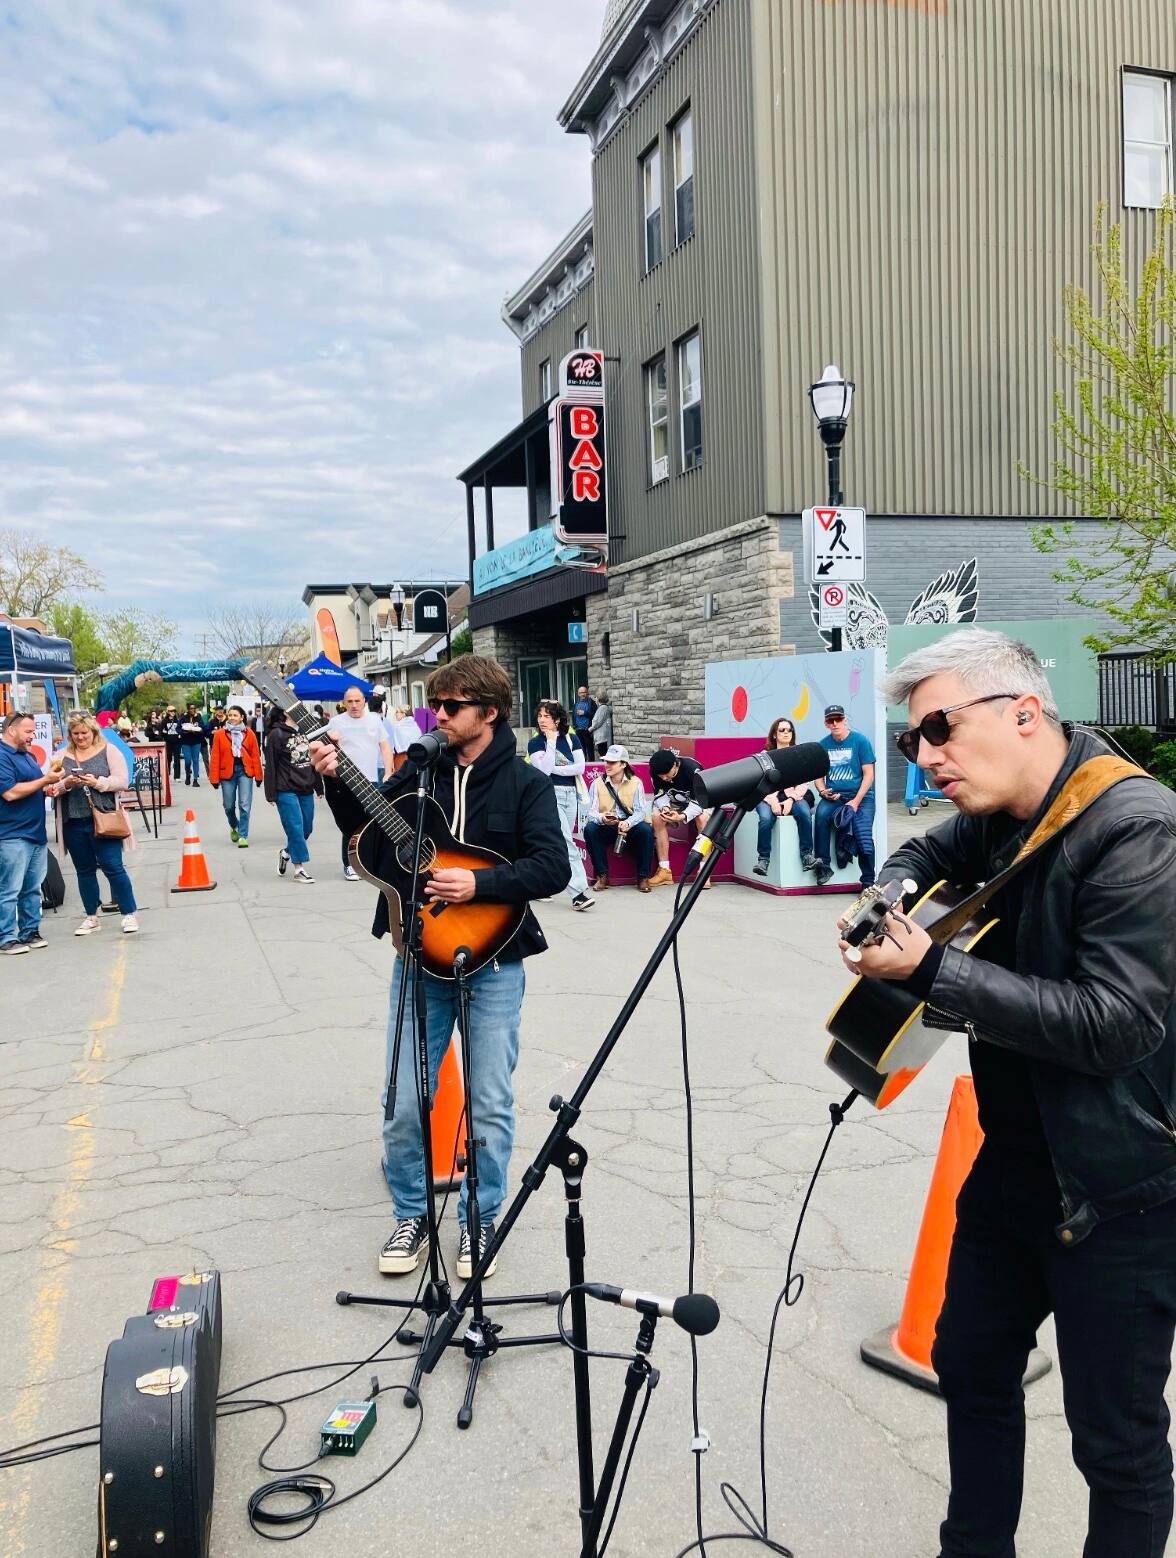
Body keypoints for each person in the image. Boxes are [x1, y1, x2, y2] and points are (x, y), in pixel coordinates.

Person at [840, 628, 1176, 1558]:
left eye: (939, 728)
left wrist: (933, 970)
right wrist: (894, 888)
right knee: (971, 1365)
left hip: (1120, 1189)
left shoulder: (1136, 827)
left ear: (1024, 711)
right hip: (1014, 1166)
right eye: (912, 741)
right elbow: (930, 848)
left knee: (1118, 1444)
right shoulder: (997, 810)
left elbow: (1119, 1024)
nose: (926, 757)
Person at [309, 654, 570, 1279]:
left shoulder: (525, 783)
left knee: (489, 1099)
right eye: (435, 707)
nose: (439, 718)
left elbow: (553, 868)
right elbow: (366, 835)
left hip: (496, 960)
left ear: (488, 711)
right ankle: (412, 1216)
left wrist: (479, 887)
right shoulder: (417, 774)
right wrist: (335, 779)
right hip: (415, 958)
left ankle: (480, 1221)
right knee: (403, 1100)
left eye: (451, 708)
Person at [53, 712, 137, 936]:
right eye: (76, 733)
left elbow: (123, 781)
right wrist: (66, 784)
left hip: (104, 818)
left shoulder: (109, 750)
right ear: (70, 735)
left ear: (93, 732)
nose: (80, 738)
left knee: (114, 867)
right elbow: (50, 788)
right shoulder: (61, 756)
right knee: (84, 870)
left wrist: (97, 782)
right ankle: (91, 916)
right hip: (73, 821)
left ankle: (128, 913)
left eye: (84, 733)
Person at [526, 699, 593, 912]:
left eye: (547, 716)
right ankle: (578, 893)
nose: (542, 720)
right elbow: (544, 771)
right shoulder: (536, 743)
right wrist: (551, 742)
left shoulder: (572, 739)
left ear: (557, 719)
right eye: (540, 716)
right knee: (566, 842)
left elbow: (580, 768)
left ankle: (537, 883)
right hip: (549, 795)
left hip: (571, 794)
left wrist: (557, 767)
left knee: (553, 842)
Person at [0, 711, 57, 954]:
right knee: (10, 888)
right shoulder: (2, 756)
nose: (32, 736)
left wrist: (47, 788)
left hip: (36, 832)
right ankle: (6, 937)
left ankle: (29, 930)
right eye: (28, 731)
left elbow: (31, 787)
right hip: (12, 832)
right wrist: (44, 781)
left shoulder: (28, 755)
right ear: (12, 730)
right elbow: (10, 792)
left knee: (31, 887)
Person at [327, 686, 393, 879]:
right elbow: (329, 749)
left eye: (357, 701)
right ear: (344, 703)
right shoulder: (336, 722)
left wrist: (388, 771)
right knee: (350, 824)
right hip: (347, 780)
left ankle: (369, 862)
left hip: (371, 779)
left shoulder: (374, 719)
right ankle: (349, 864)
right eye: (350, 701)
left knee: (373, 823)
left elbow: (385, 746)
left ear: (364, 701)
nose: (354, 705)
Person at [813, 703, 875, 888]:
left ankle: (868, 881)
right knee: (821, 816)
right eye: (831, 720)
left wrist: (856, 802)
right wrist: (823, 791)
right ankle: (824, 865)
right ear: (826, 723)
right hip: (834, 796)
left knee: (863, 833)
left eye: (838, 719)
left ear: (845, 720)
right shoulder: (822, 745)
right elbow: (818, 777)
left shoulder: (860, 741)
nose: (835, 723)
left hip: (861, 797)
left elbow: (869, 774)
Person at [583, 745, 656, 892]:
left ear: (623, 764)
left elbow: (641, 811)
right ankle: (602, 875)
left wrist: (628, 823)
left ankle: (643, 877)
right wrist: (602, 818)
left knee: (645, 830)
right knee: (590, 829)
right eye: (606, 761)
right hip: (607, 825)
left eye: (612, 762)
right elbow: (590, 813)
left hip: (629, 824)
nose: (607, 765)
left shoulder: (636, 782)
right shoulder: (597, 784)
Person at [753, 716, 819, 877]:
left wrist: (791, 799)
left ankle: (807, 856)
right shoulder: (764, 756)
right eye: (782, 730)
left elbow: (804, 782)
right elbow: (759, 782)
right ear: (774, 734)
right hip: (767, 798)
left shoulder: (798, 753)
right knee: (766, 819)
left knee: (804, 813)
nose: (786, 733)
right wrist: (773, 801)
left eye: (789, 730)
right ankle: (763, 859)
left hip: (793, 796)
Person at [264, 707, 319, 883]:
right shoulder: (276, 734)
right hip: (285, 788)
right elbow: (271, 764)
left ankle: (287, 852)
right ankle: (299, 868)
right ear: (285, 712)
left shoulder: (307, 730)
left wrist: (319, 787)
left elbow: (314, 759)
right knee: (295, 827)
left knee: (306, 828)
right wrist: (270, 793)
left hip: (306, 785)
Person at [647, 747, 712, 887]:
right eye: (661, 776)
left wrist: (682, 816)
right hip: (675, 803)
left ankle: (704, 871)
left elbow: (700, 801)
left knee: (702, 819)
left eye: (667, 774)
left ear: (675, 764)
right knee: (657, 816)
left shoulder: (693, 770)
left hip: (702, 800)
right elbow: (659, 795)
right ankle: (664, 870)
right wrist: (665, 808)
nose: (664, 778)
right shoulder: (655, 771)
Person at [209, 705, 263, 847]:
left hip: (245, 772)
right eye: (230, 715)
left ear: (242, 717)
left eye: (235, 715)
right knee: (228, 806)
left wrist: (258, 776)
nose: (232, 718)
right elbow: (215, 756)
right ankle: (234, 825)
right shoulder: (220, 734)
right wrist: (214, 778)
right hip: (226, 773)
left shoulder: (249, 733)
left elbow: (255, 755)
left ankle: (243, 835)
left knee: (244, 805)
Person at [385, 704, 423, 775]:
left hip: (400, 758)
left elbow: (392, 747)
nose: (395, 714)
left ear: (403, 714)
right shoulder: (415, 726)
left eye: (397, 712)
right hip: (415, 758)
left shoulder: (397, 727)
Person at [179, 704, 206, 787]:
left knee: (195, 760)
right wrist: (183, 731)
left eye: (194, 708)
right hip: (186, 742)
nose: (193, 710)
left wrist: (198, 731)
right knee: (187, 760)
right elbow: (178, 728)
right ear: (188, 709)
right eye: (191, 708)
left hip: (196, 742)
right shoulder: (183, 718)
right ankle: (188, 774)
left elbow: (203, 727)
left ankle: (195, 780)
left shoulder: (198, 717)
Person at [572, 685, 597, 762]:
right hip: (578, 729)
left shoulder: (591, 703)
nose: (583, 694)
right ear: (578, 694)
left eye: (584, 692)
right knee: (580, 749)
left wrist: (584, 713)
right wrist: (574, 726)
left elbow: (595, 715)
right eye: (581, 693)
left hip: (587, 729)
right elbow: (573, 715)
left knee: (589, 749)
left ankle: (591, 764)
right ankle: (582, 764)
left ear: (587, 693)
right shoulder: (576, 703)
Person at [162, 705, 182, 781]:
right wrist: (164, 736)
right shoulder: (165, 721)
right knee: (168, 759)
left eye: (174, 711)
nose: (173, 712)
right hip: (168, 742)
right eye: (171, 711)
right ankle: (168, 775)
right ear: (168, 712)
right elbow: (161, 730)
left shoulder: (177, 720)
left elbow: (180, 729)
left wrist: (180, 734)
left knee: (177, 759)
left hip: (177, 742)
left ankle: (177, 777)